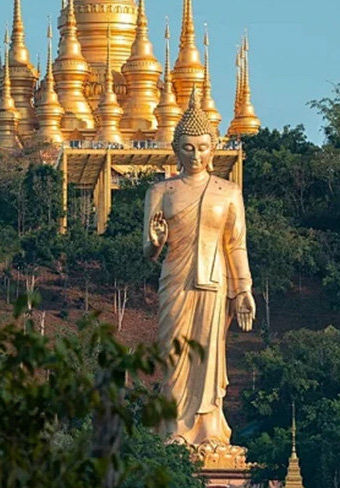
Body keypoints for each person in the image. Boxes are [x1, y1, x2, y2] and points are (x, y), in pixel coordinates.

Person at [143, 90, 256, 447]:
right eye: (188, 148)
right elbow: (148, 251)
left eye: (203, 147)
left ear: (214, 148)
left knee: (208, 353)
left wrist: (243, 289)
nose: (196, 155)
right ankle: (174, 429)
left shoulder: (228, 191)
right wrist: (156, 240)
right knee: (174, 353)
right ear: (175, 149)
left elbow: (236, 244)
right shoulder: (160, 191)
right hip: (175, 278)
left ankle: (208, 429)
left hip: (214, 280)